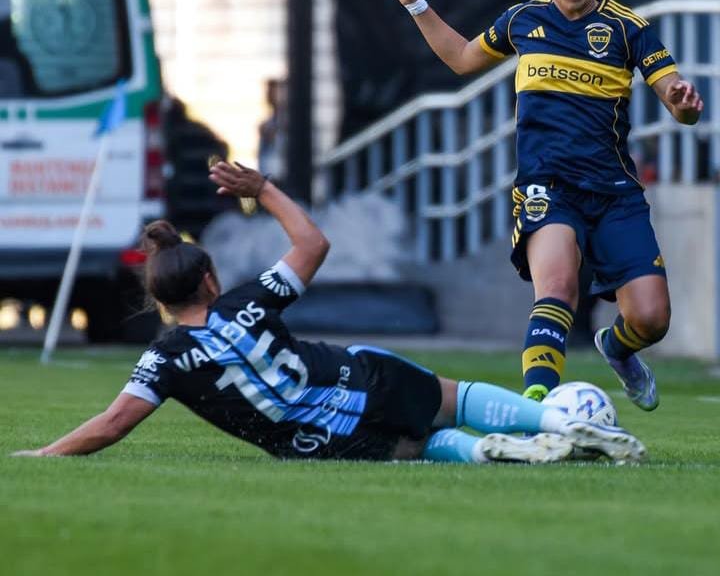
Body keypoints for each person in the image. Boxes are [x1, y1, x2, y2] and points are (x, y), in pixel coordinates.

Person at [13, 160, 644, 464]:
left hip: (318, 440)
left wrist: (44, 455)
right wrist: (263, 189)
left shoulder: (166, 360)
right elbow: (313, 245)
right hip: (359, 376)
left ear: (159, 298)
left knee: (423, 448)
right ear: (208, 278)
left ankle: (494, 454)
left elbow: (111, 425)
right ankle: (552, 419)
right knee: (453, 397)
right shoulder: (248, 301)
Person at [384, 0, 703, 411]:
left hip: (614, 192)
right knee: (556, 288)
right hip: (547, 185)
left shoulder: (628, 29)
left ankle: (617, 348)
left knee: (651, 319)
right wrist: (415, 2)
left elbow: (674, 97)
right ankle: (538, 409)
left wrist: (683, 103)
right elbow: (462, 58)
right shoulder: (522, 21)